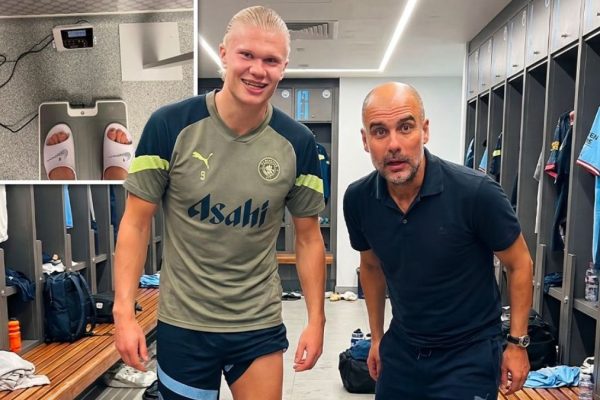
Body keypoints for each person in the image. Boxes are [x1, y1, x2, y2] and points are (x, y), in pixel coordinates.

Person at [113, 6, 326, 400]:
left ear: (284, 67)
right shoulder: (170, 125)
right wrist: (123, 312)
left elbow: (309, 237)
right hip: (185, 323)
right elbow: (135, 223)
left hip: (257, 322)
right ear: (224, 54)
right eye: (247, 55)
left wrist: (317, 320)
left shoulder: (298, 143)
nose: (258, 70)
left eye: (271, 60)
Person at [343, 82, 533, 399]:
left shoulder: (476, 192)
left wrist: (517, 343)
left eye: (405, 128)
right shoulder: (358, 199)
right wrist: (376, 337)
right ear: (366, 140)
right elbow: (371, 266)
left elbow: (520, 264)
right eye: (380, 132)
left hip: (468, 353)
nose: (394, 145)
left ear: (425, 131)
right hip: (403, 349)